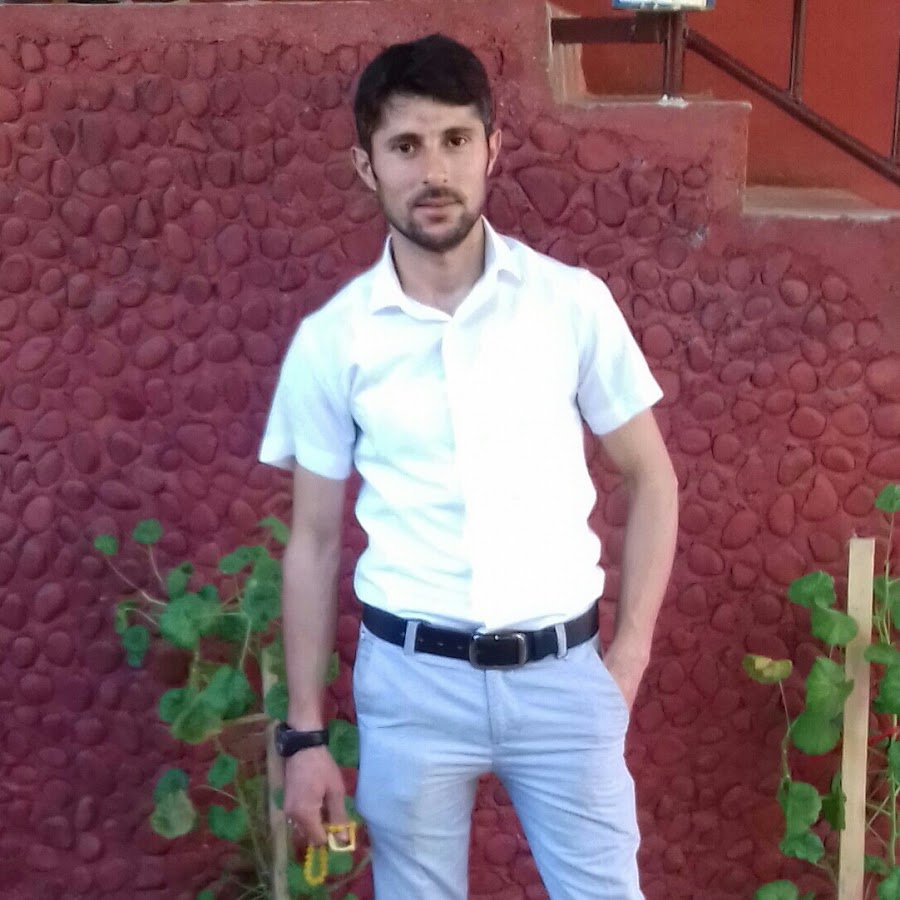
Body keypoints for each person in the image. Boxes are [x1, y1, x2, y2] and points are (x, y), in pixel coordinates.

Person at [259, 33, 678, 899]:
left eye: (455, 139)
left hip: (565, 677)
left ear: (493, 148)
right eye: (405, 146)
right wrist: (304, 736)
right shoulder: (334, 341)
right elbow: (313, 540)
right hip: (411, 686)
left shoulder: (570, 305)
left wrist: (628, 659)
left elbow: (651, 478)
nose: (434, 170)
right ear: (367, 166)